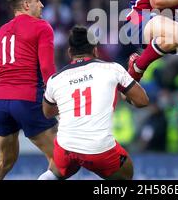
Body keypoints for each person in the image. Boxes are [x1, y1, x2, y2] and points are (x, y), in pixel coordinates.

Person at [42, 26, 149, 180]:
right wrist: (130, 84)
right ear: (95, 50)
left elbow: (47, 112)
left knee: (54, 172)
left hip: (66, 146)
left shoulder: (55, 79)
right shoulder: (113, 69)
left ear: (70, 52)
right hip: (100, 149)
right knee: (126, 173)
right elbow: (143, 101)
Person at [0, 0, 60, 180]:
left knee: (3, 163)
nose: (42, 5)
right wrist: (56, 100)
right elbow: (47, 69)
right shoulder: (42, 27)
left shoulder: (0, 32)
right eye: (37, 1)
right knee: (61, 161)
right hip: (27, 101)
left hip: (0, 103)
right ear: (27, 5)